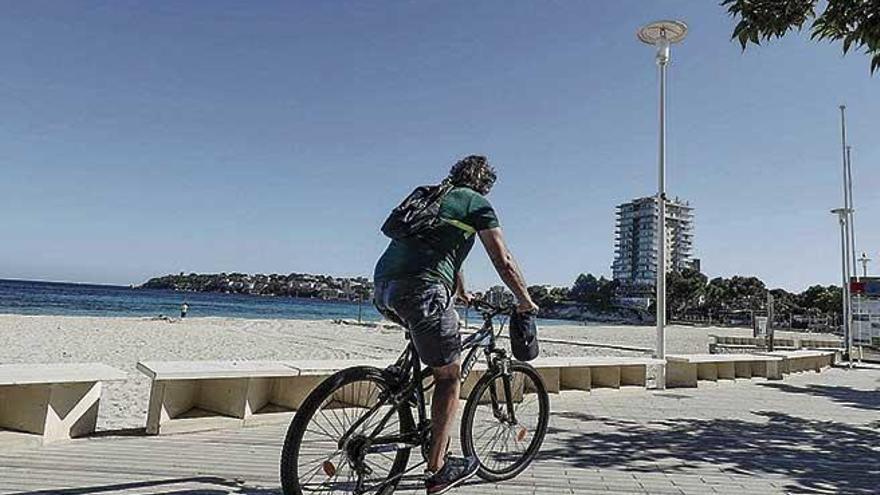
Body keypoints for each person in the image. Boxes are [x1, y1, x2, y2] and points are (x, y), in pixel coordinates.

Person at [373, 155, 538, 494]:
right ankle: (438, 469)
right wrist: (524, 300)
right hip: (423, 289)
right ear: (485, 184)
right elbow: (503, 261)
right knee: (449, 377)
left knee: (424, 333)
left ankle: (400, 385)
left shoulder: (436, 197)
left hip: (383, 286)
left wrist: (460, 290)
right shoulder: (477, 203)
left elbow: (448, 250)